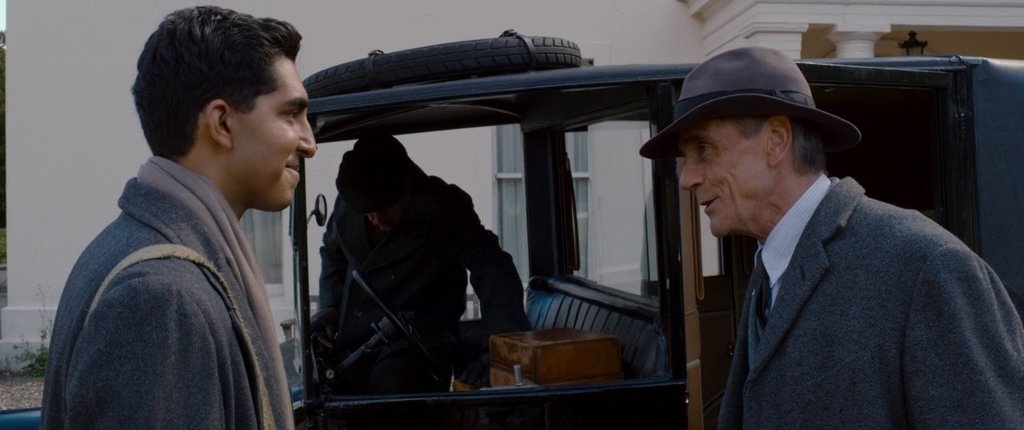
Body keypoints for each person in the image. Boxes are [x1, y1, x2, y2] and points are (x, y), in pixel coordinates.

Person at [639, 46, 1024, 428]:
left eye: (703, 149)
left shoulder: (928, 267)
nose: (687, 178)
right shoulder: (771, 267)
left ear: (776, 141)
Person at [41, 6, 315, 429]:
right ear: (222, 123)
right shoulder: (160, 295)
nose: (309, 141)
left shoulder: (140, 250)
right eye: (290, 114)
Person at [315, 134, 531, 395]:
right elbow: (333, 253)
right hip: (353, 343)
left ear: (407, 183)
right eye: (368, 211)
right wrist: (329, 309)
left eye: (386, 206)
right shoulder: (351, 200)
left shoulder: (445, 209)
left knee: (392, 384)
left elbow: (491, 267)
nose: (377, 219)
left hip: (418, 344)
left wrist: (502, 349)